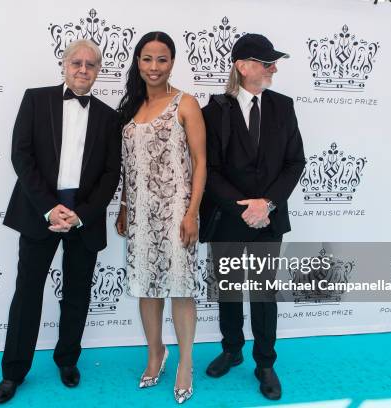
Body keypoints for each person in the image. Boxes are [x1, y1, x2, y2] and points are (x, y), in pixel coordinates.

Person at [0, 39, 121, 403]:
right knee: (27, 293)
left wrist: (81, 213)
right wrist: (50, 207)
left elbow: (112, 174)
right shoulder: (36, 99)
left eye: (91, 64)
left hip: (85, 216)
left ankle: (67, 360)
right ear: (64, 65)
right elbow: (22, 155)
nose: (83, 69)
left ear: (99, 70)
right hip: (39, 212)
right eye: (77, 62)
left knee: (78, 292)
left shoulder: (110, 117)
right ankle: (13, 372)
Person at [200, 33, 305, 401]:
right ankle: (231, 349)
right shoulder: (213, 111)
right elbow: (208, 169)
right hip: (227, 217)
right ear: (243, 67)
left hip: (270, 218)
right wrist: (243, 206)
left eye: (273, 62)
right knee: (228, 289)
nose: (274, 67)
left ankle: (265, 362)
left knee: (263, 293)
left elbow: (296, 162)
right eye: (266, 62)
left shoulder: (284, 106)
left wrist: (268, 204)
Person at [114, 31, 206, 404]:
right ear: (138, 62)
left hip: (176, 214)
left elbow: (201, 163)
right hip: (139, 215)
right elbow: (127, 167)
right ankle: (156, 353)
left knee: (181, 289)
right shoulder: (130, 108)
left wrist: (192, 213)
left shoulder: (186, 103)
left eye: (162, 59)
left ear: (172, 62)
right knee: (146, 287)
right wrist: (122, 206)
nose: (154, 67)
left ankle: (185, 363)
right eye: (147, 59)